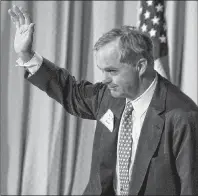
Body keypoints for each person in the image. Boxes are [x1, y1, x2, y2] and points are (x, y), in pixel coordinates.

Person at [8, 5, 198, 196]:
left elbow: (190, 187)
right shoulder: (109, 95)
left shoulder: (182, 117)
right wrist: (27, 55)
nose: (105, 79)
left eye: (112, 71)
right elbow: (71, 92)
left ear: (140, 66)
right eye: (102, 70)